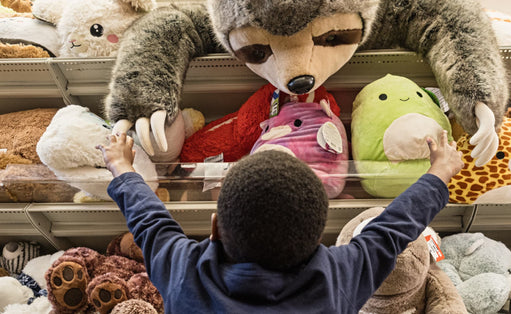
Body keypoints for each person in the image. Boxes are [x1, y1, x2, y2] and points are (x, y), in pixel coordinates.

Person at [97, 130, 463, 313]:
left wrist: (122, 165)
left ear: (215, 228)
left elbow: (148, 219)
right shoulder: (335, 281)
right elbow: (392, 230)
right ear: (318, 237)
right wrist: (440, 170)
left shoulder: (184, 272)